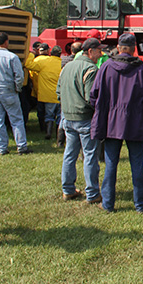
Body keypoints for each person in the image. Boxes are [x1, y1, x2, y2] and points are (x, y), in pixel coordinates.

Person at [90, 33, 143, 213]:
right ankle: (141, 204)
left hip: (111, 123)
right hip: (136, 122)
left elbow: (93, 95)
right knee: (137, 165)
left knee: (111, 164)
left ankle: (108, 203)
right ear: (133, 48)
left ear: (119, 47)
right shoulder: (142, 69)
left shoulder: (106, 67)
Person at [57, 38, 103, 204]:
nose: (101, 54)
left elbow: (58, 91)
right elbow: (91, 98)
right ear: (90, 51)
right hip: (84, 119)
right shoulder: (90, 69)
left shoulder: (67, 66)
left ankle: (68, 190)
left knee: (70, 154)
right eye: (99, 51)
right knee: (90, 156)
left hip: (68, 118)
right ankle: (92, 194)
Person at [0, 32, 31, 155]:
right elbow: (19, 76)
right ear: (6, 42)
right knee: (16, 120)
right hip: (9, 91)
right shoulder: (11, 57)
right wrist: (17, 88)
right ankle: (21, 146)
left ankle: (2, 147)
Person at [25, 43, 62, 140]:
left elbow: (28, 65)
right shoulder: (62, 63)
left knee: (48, 115)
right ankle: (59, 136)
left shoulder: (44, 62)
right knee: (60, 117)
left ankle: (48, 132)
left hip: (47, 95)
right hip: (60, 95)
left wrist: (31, 54)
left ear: (51, 52)